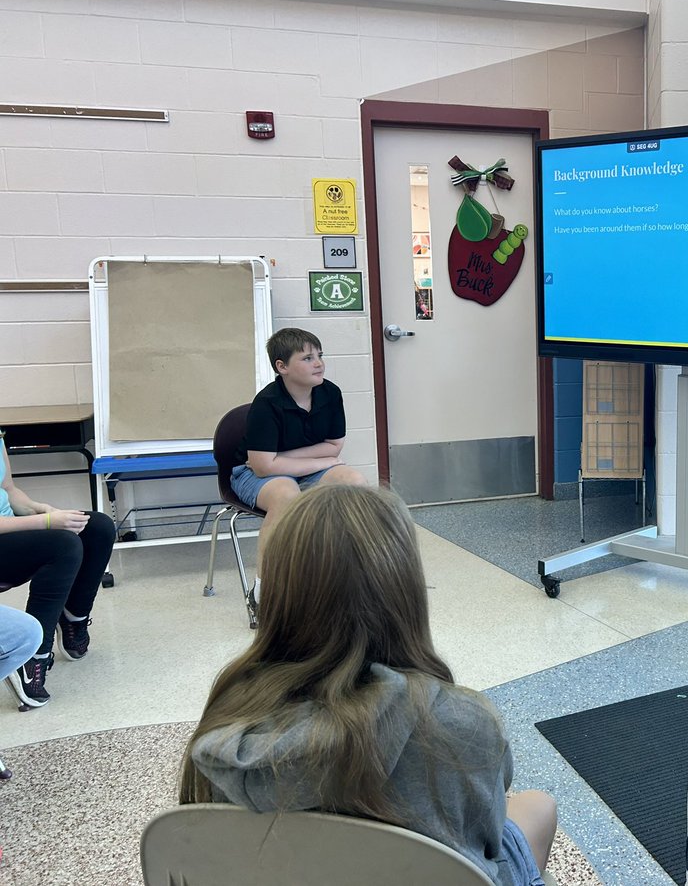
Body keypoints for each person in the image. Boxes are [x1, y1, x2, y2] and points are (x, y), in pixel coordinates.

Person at [180, 485, 557, 886]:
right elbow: (485, 836)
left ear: (280, 592)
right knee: (539, 806)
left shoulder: (230, 713)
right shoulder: (464, 721)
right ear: (404, 590)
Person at [0, 430, 116, 708]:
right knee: (63, 544)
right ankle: (33, 658)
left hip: (8, 533)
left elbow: (8, 489)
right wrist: (47, 522)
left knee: (97, 527)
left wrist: (40, 509)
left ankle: (74, 619)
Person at [231, 327, 366, 542]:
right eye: (307, 358)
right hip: (254, 474)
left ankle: (341, 568)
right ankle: (267, 576)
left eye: (320, 356)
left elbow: (333, 446)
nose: (319, 363)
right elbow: (262, 467)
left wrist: (281, 458)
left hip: (295, 467)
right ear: (282, 366)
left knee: (354, 483)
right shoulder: (266, 403)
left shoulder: (331, 393)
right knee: (286, 496)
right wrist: (324, 462)